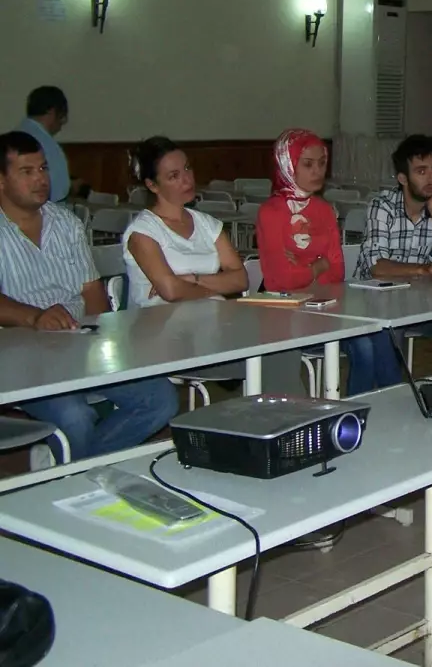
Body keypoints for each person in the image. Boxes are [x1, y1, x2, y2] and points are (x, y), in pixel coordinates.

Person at [0, 131, 177, 464]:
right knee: (75, 416)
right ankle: (78, 475)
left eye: (43, 169)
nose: (41, 178)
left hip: (77, 342)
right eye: (27, 172)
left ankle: (75, 471)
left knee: (160, 399)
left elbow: (92, 293)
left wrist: (102, 340)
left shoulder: (65, 223)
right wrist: (35, 317)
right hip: (18, 355)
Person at [257, 129, 403, 395]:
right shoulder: (271, 212)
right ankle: (353, 413)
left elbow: (336, 272)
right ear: (287, 165)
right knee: (362, 346)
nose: (317, 171)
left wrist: (302, 265)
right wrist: (317, 264)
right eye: (308, 164)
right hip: (284, 314)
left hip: (326, 305)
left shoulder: (324, 210)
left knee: (381, 335)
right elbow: (281, 280)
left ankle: (391, 404)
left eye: (322, 163)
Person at [355, 135, 432, 373]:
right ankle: (393, 400)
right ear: (403, 179)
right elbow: (377, 266)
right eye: (421, 171)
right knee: (390, 338)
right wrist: (422, 269)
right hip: (377, 303)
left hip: (421, 302)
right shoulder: (382, 206)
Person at [122, 137, 248, 309]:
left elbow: (241, 279)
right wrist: (217, 291)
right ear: (152, 185)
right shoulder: (143, 231)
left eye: (187, 168)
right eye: (174, 176)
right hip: (156, 327)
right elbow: (170, 291)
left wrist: (192, 279)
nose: (187, 180)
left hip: (207, 321)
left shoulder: (208, 224)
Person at [16, 86, 71, 203]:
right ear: (52, 112)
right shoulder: (46, 145)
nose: (64, 122)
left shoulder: (15, 136)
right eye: (62, 116)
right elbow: (58, 189)